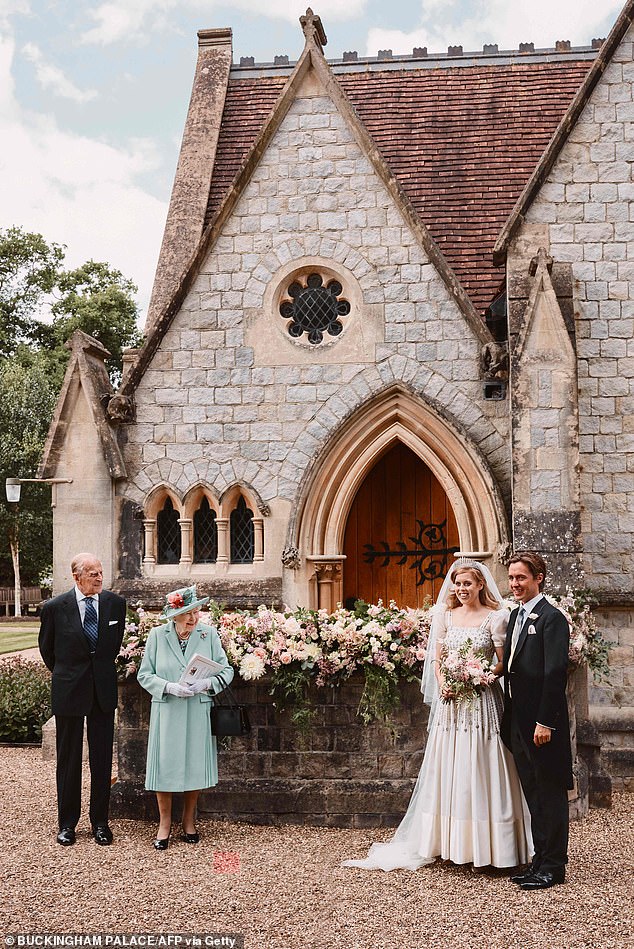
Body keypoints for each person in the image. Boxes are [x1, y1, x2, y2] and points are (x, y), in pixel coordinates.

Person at [343, 559, 532, 871]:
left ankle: (493, 846)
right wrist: (446, 683)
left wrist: (480, 676)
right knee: (452, 765)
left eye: (467, 584)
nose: (461, 589)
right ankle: (449, 841)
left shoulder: (496, 617)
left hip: (482, 701)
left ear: (480, 585)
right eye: (457, 584)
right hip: (452, 705)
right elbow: (437, 660)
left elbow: (502, 662)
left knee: (483, 764)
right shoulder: (444, 615)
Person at [38, 553, 126, 846]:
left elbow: (112, 648)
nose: (99, 578)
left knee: (101, 760)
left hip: (102, 691)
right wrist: (70, 676)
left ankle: (100, 822)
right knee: (69, 759)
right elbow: (47, 651)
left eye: (101, 573)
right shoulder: (54, 608)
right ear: (76, 577)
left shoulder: (116, 604)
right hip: (68, 690)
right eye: (93, 574)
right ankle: (67, 824)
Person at [137, 585, 234, 850]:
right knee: (164, 766)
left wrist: (206, 685)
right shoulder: (157, 636)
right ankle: (164, 823)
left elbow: (226, 672)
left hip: (197, 708)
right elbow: (144, 675)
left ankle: (189, 820)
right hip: (167, 707)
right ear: (174, 615)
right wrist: (168, 687)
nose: (193, 618)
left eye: (196, 611)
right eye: (187, 613)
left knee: (194, 764)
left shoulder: (208, 634)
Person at [501, 552, 573, 890]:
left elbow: (555, 673)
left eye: (521, 578)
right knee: (533, 793)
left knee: (550, 793)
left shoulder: (552, 618)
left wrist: (546, 721)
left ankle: (554, 866)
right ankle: (538, 860)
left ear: (539, 577)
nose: (515, 584)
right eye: (512, 578)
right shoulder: (516, 615)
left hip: (543, 726)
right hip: (519, 721)